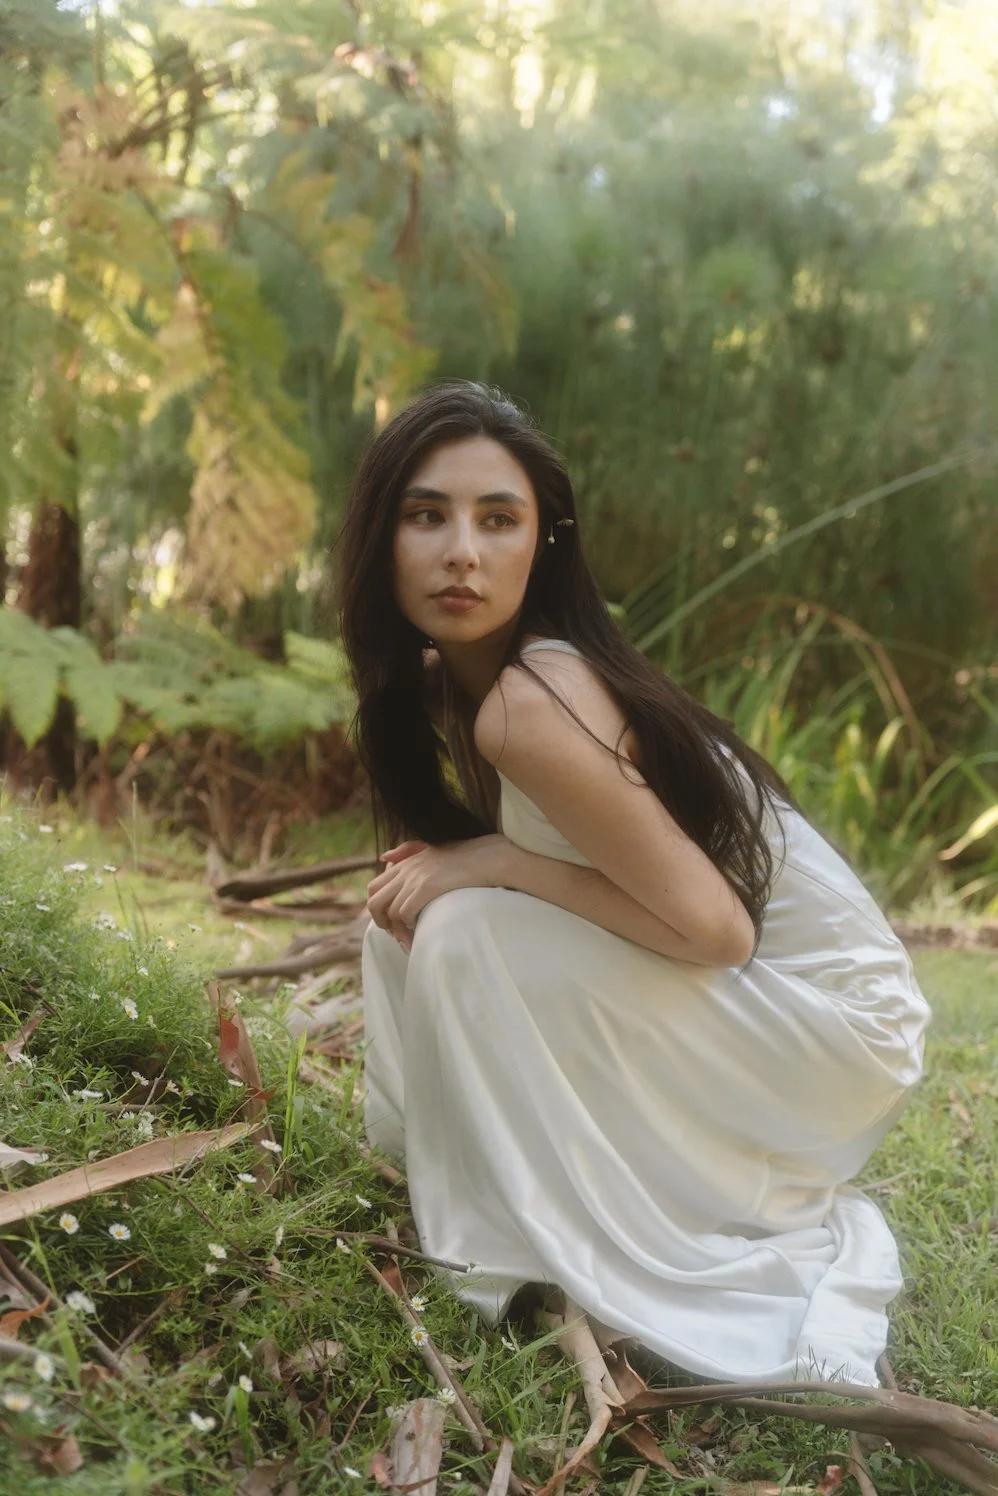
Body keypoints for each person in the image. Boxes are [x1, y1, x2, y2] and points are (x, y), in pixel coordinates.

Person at [335, 380, 931, 1389]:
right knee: (417, 907)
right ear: (380, 536)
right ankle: (495, 1183)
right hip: (761, 1007)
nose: (461, 553)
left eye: (498, 519)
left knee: (462, 922)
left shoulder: (534, 697)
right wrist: (467, 873)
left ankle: (517, 1236)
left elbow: (713, 930)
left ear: (544, 543)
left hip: (829, 1024)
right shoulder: (466, 688)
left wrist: (491, 862)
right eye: (425, 514)